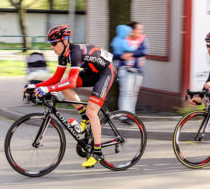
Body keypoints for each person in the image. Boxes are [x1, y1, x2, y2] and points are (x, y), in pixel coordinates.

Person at [25, 25, 116, 168]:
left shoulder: (75, 52)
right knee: (64, 86)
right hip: (93, 73)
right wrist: (35, 86)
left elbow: (72, 81)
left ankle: (97, 153)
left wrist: (47, 89)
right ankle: (84, 117)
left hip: (106, 72)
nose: (52, 47)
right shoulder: (63, 55)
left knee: (92, 111)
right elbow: (56, 79)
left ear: (65, 41)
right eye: (50, 44)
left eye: (54, 43)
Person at [110, 22, 148, 115]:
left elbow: (143, 51)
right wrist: (122, 56)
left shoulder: (142, 39)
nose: (140, 31)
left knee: (134, 94)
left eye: (141, 29)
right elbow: (114, 54)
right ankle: (124, 116)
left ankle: (131, 115)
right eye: (138, 29)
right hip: (126, 70)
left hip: (138, 70)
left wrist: (131, 54)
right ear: (132, 30)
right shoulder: (123, 39)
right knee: (126, 93)